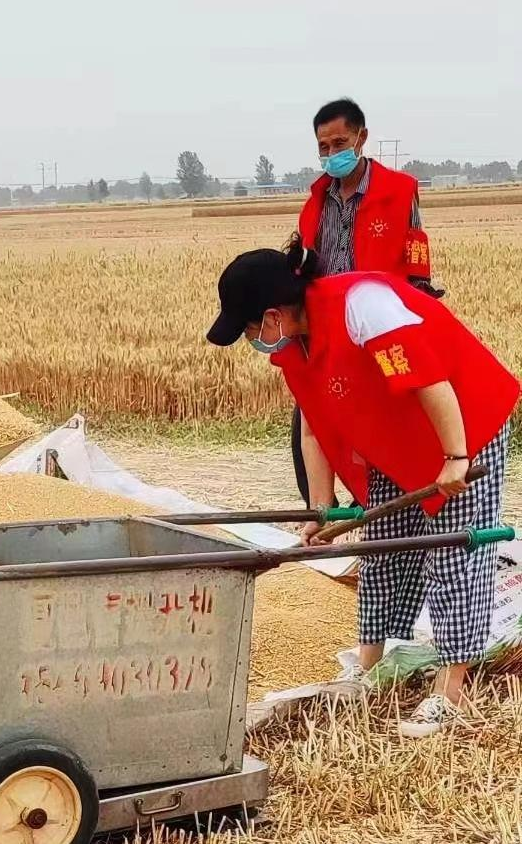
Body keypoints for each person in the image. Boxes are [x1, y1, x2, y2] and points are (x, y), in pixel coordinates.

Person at [207, 241, 518, 737]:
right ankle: (371, 666)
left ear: (272, 315)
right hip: (394, 441)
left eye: (247, 328)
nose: (250, 339)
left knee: (453, 553)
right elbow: (314, 426)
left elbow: (431, 381)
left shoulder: (362, 309)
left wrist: (457, 457)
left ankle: (449, 691)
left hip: (462, 423)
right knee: (381, 549)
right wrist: (322, 509)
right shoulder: (292, 347)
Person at [291, 98, 443, 509]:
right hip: (326, 331)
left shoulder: (398, 191)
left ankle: (389, 513)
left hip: (378, 327)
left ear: (362, 137)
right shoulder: (316, 202)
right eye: (323, 147)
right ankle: (323, 514)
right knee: (309, 429)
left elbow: (416, 260)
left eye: (339, 142)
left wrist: (420, 315)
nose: (331, 154)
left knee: (381, 432)